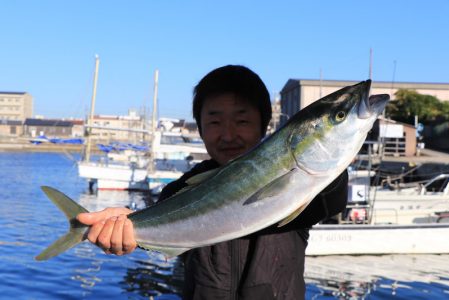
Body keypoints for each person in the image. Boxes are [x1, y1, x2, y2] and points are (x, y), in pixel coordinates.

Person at [77, 65, 348, 299]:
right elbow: (162, 232)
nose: (228, 134)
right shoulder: (180, 190)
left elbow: (333, 197)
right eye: (215, 121)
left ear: (264, 125)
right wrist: (126, 228)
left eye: (242, 120)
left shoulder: (306, 185)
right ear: (201, 126)